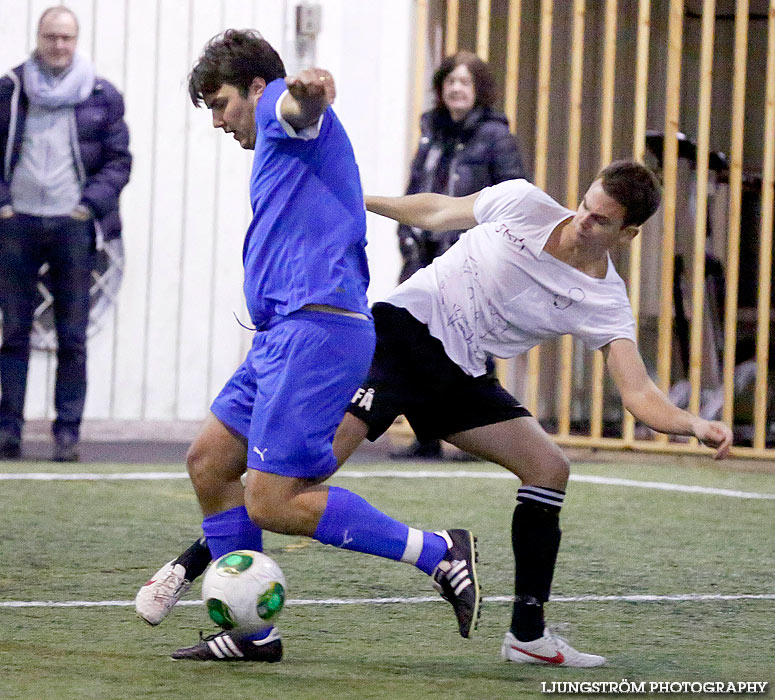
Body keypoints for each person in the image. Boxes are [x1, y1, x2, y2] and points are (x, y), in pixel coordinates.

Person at [137, 161, 733, 668]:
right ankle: (194, 568)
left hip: (459, 373)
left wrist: (694, 424)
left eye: (600, 219)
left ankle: (527, 636)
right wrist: (360, 199)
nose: (581, 220)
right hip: (400, 337)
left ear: (628, 234)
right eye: (584, 204)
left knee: (549, 468)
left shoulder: (603, 299)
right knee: (297, 482)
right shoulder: (523, 204)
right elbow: (436, 211)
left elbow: (639, 395)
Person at [136, 29, 479, 663]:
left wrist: (309, 90)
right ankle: (251, 635)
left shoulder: (277, 114)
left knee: (272, 499)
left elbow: (300, 106)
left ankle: (438, 552)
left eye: (220, 103)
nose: (217, 120)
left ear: (256, 89)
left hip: (317, 332)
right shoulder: (277, 139)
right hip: (282, 337)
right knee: (210, 462)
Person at [0, 6, 131, 462]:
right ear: (39, 38)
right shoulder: (11, 89)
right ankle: (7, 434)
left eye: (66, 38)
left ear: (76, 41)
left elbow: (119, 161)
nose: (58, 45)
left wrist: (86, 207)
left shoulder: (101, 94)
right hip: (17, 225)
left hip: (73, 228)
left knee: (72, 338)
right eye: (51, 36)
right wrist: (4, 206)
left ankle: (67, 434)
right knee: (14, 333)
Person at [396, 50, 526, 459]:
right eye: (450, 81)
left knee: (472, 351)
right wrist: (405, 235)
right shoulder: (430, 133)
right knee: (413, 341)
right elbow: (414, 190)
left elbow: (515, 198)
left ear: (479, 91)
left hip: (473, 259)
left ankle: (484, 440)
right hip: (424, 256)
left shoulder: (496, 137)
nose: (456, 88)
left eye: (465, 82)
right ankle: (427, 436)